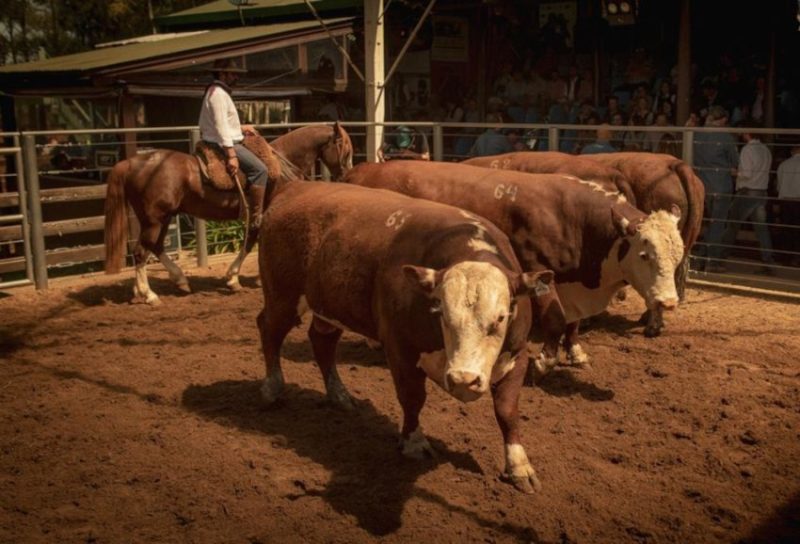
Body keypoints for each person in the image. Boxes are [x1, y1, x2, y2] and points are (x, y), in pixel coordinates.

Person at [198, 58, 268, 231]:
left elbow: (221, 123)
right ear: (222, 74)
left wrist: (241, 128)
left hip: (222, 138)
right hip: (221, 143)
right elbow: (221, 126)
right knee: (261, 170)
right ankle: (255, 218)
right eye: (233, 74)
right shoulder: (218, 95)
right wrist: (231, 155)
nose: (236, 77)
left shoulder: (218, 92)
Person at [719, 124, 775, 274]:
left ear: (747, 133)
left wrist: (734, 172)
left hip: (747, 191)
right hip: (761, 191)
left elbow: (747, 173)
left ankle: (719, 257)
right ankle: (768, 261)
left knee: (732, 226)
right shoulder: (766, 150)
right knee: (761, 229)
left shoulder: (747, 149)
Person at [692, 106, 739, 269]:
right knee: (717, 225)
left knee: (709, 224)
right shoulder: (726, 137)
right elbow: (735, 162)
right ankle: (712, 262)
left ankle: (700, 258)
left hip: (703, 185)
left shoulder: (696, 134)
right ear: (723, 120)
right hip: (721, 185)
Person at [776, 144, 800, 266]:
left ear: (792, 151)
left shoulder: (783, 165)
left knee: (786, 229)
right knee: (797, 230)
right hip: (798, 201)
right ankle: (796, 257)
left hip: (785, 201)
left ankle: (785, 256)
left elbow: (779, 185)